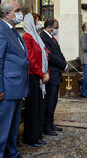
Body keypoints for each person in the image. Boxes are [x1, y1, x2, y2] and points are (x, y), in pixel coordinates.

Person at [0, 0, 29, 158]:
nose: (20, 13)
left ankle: (12, 153)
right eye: (17, 10)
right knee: (2, 128)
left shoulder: (11, 30)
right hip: (6, 88)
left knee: (12, 126)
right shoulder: (0, 31)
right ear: (7, 14)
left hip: (16, 87)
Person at [22, 13, 50, 147]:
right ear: (32, 22)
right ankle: (31, 137)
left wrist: (47, 72)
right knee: (33, 108)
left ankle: (38, 135)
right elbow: (30, 60)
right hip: (32, 77)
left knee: (40, 107)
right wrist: (41, 74)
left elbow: (45, 55)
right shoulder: (27, 37)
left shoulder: (37, 37)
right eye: (38, 20)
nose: (40, 22)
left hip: (40, 75)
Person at [40, 18, 68, 136]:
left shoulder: (51, 38)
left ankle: (51, 123)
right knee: (50, 101)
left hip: (56, 72)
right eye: (56, 27)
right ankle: (46, 126)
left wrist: (65, 64)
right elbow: (49, 56)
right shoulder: (44, 37)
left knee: (54, 101)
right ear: (49, 27)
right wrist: (63, 64)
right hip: (50, 73)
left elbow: (58, 53)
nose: (57, 30)